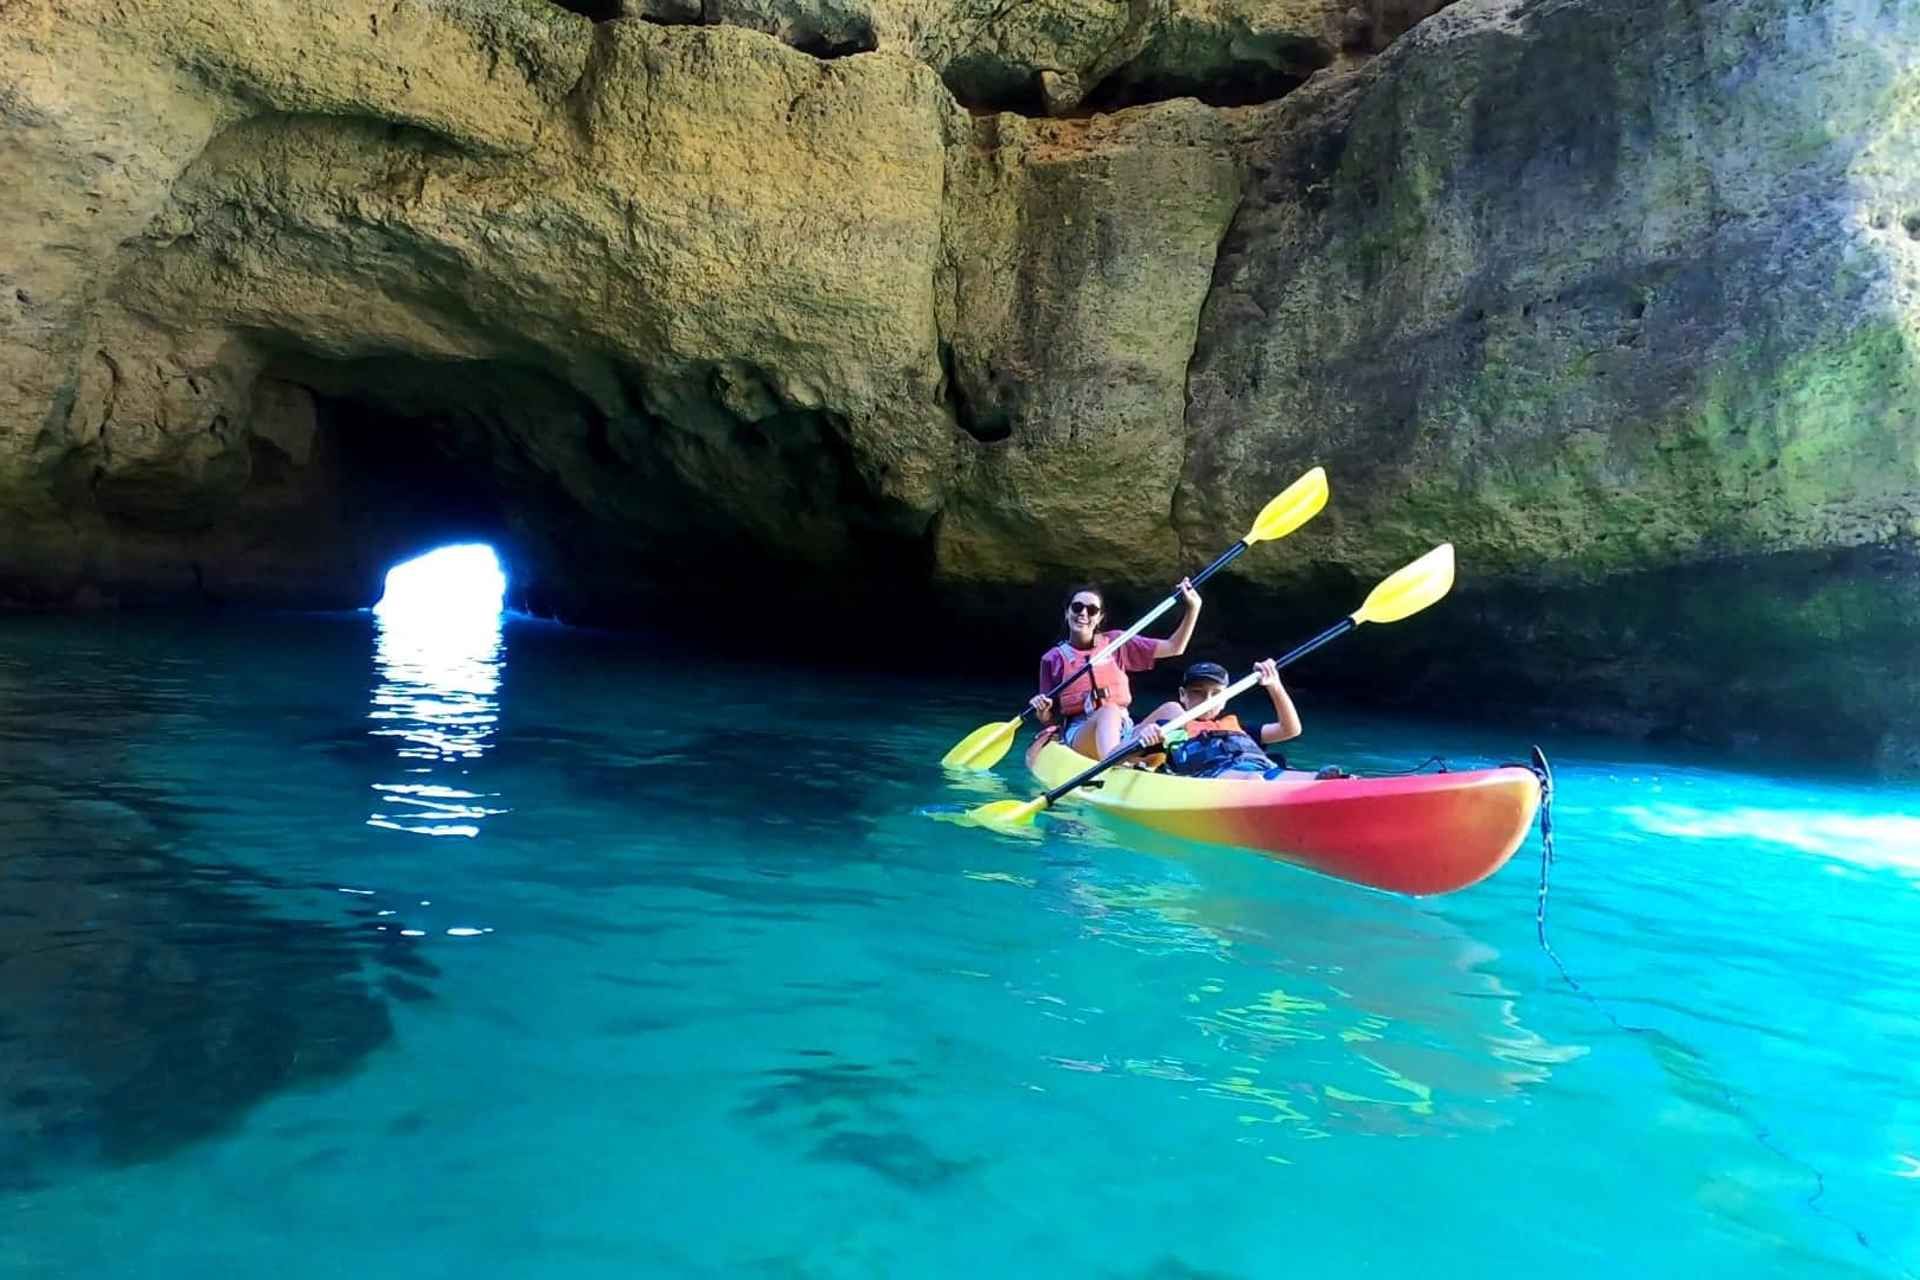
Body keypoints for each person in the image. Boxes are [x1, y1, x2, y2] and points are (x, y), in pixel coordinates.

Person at [1029, 579, 1202, 760]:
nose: (1083, 613)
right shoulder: (1052, 658)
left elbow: (1174, 647)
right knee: (1108, 710)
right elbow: (1049, 719)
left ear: (1099, 618)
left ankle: (1169, 759)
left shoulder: (1117, 642)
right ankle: (1114, 759)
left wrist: (1193, 608)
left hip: (1125, 729)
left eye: (1092, 610)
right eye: (1077, 607)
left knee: (1174, 710)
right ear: (1067, 612)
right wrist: (1042, 711)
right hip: (1081, 732)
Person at [1132, 659, 1301, 778]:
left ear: (1225, 698)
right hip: (1220, 778)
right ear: (1183, 695)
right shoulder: (1167, 729)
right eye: (1198, 692)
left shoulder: (1238, 730)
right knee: (1253, 779)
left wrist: (1274, 685)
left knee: (1312, 778)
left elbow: (1290, 730)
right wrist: (1144, 737)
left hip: (1261, 770)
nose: (1208, 700)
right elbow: (1125, 759)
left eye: (1216, 693)